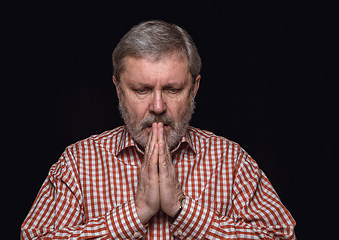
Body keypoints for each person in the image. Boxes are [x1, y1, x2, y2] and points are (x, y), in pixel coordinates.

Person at [21, 20, 296, 239]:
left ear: (194, 89)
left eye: (172, 89)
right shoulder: (78, 164)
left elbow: (281, 236)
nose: (157, 106)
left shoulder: (231, 161)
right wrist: (136, 213)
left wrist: (182, 209)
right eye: (142, 90)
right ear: (118, 90)